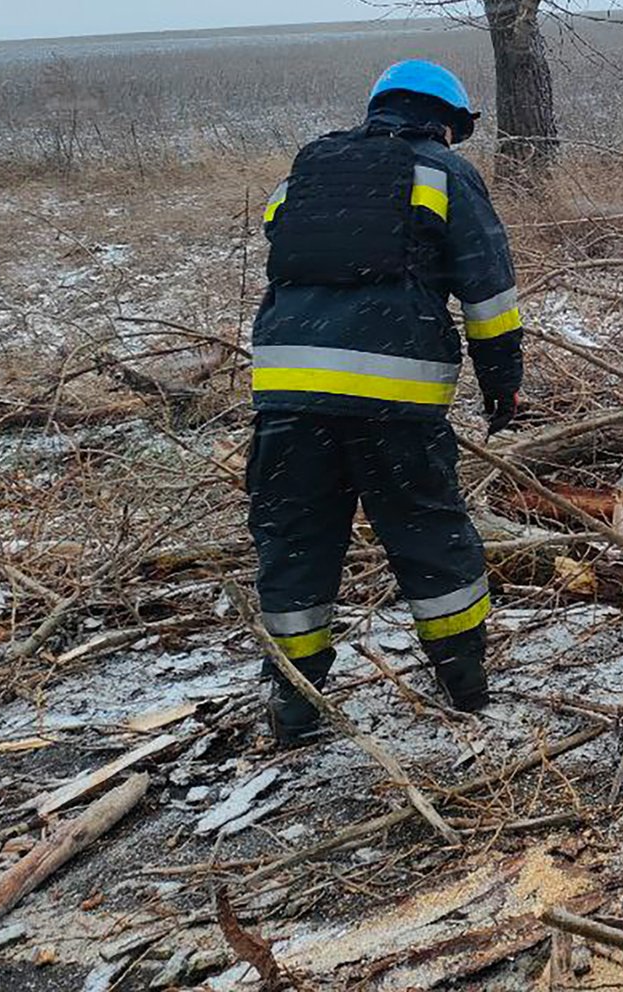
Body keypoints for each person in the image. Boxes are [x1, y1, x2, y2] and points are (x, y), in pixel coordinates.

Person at [247, 59, 524, 745]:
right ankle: (465, 685)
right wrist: (501, 381)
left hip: (287, 396)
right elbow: (487, 289)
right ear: (446, 120)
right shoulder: (445, 172)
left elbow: (282, 249)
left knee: (295, 545)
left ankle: (293, 707)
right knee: (428, 536)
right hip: (392, 403)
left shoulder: (307, 168)